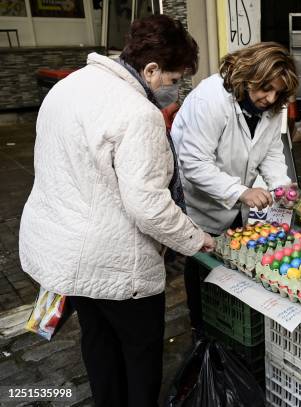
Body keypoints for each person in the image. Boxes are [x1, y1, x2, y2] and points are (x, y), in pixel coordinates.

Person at [19, 15, 215, 407]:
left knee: (97, 340)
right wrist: (197, 239)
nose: (173, 91)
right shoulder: (137, 113)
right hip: (114, 261)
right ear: (151, 68)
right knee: (140, 353)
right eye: (172, 80)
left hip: (65, 248)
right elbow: (148, 205)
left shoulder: (69, 85)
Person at [171, 42, 299, 338]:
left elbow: (269, 151)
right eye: (265, 88)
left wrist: (280, 186)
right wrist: (241, 192)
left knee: (233, 264)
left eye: (278, 93)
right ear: (248, 74)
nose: (270, 98)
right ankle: (201, 330)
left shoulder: (272, 106)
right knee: (201, 266)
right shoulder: (212, 98)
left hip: (236, 202)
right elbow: (193, 162)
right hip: (199, 202)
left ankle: (232, 326)